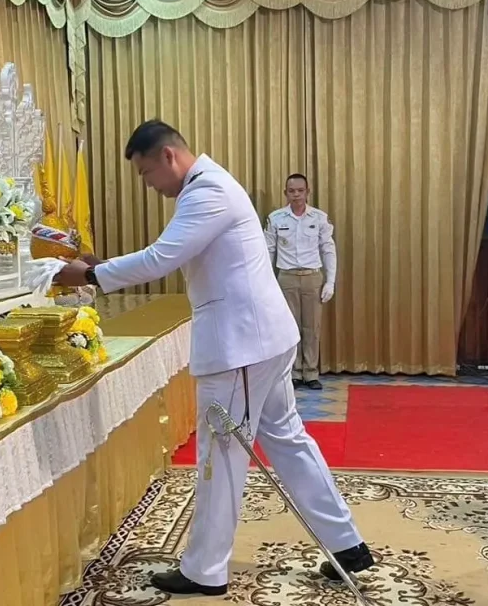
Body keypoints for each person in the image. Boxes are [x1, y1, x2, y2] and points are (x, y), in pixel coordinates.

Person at [54, 120, 372, 596]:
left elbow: (161, 258)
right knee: (288, 441)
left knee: (220, 454)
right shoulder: (209, 185)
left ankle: (205, 570)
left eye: (145, 173)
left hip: (242, 347)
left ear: (168, 157)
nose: (148, 185)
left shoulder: (207, 192)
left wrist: (88, 275)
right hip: (261, 339)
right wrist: (100, 269)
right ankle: (347, 544)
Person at [265, 174, 337, 390]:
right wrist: (267, 282)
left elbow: (328, 249)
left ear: (307, 192)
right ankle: (294, 372)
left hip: (312, 277)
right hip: (286, 277)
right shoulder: (276, 218)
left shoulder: (319, 218)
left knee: (312, 328)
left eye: (300, 190)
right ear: (285, 193)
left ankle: (311, 372)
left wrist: (330, 282)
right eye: (291, 191)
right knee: (290, 327)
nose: (296, 195)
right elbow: (268, 251)